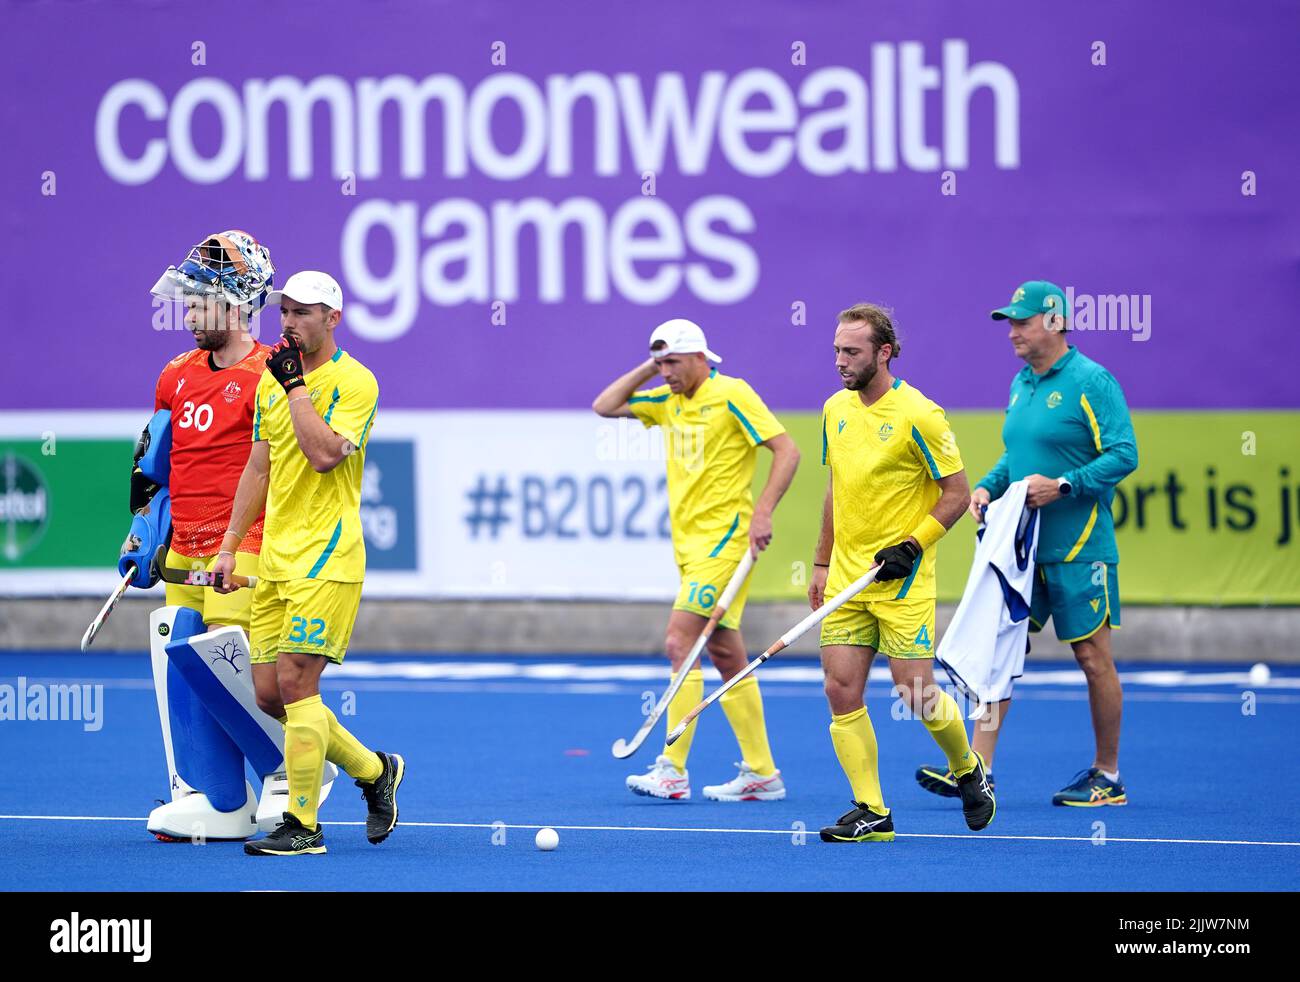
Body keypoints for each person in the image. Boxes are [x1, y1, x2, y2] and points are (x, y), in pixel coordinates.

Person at [915, 280, 1137, 806]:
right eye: (1009, 322)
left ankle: (1107, 775)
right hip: (1022, 549)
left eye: (1022, 321)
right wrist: (991, 484)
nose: (1012, 331)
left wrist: (1063, 486)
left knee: (1091, 656)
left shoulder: (1091, 380)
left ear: (1055, 322)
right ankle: (977, 768)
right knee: (999, 651)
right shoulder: (1021, 383)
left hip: (1081, 547)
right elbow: (1016, 455)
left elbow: (1124, 454)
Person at [213, 271, 402, 856]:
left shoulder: (356, 382)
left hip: (329, 557)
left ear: (332, 320)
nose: (289, 323)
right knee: (271, 694)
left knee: (298, 682)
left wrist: (297, 388)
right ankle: (374, 772)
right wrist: (229, 543)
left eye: (303, 313)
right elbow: (259, 467)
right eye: (284, 312)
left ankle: (304, 825)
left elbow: (324, 456)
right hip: (275, 560)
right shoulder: (273, 382)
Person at [593, 319, 800, 801]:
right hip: (688, 549)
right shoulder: (667, 402)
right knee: (727, 656)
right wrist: (651, 362)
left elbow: (786, 450)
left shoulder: (732, 393)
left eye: (672, 362)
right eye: (659, 363)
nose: (665, 372)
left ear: (701, 358)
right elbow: (604, 406)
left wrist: (763, 511)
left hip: (726, 542)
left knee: (679, 641)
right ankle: (762, 772)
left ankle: (672, 768)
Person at [812, 303, 994, 842]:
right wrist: (822, 560)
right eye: (837, 351)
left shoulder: (921, 414)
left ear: (883, 352)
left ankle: (967, 768)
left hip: (902, 581)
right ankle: (871, 810)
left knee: (914, 693)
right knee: (840, 688)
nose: (841, 361)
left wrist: (912, 546)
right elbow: (835, 492)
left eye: (853, 352)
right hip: (848, 578)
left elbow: (957, 495)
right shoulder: (833, 409)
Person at [140, 229, 284, 841]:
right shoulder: (173, 375)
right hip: (184, 551)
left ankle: (288, 775)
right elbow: (153, 465)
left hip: (244, 545)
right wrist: (142, 532)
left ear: (235, 303)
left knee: (238, 669)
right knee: (188, 668)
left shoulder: (274, 371)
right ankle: (222, 801)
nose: (187, 313)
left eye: (198, 301)